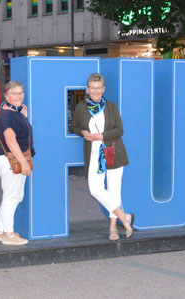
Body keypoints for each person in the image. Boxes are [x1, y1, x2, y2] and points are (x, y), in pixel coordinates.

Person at [69, 73, 134, 241]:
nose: (95, 91)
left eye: (98, 88)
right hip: (94, 155)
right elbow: (73, 127)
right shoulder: (81, 108)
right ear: (87, 89)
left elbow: (120, 130)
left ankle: (113, 228)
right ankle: (123, 216)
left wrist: (101, 136)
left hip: (113, 153)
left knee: (114, 190)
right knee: (95, 189)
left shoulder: (111, 106)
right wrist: (81, 132)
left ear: (103, 89)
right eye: (92, 88)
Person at [0, 81, 34, 245]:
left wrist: (24, 118)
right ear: (7, 96)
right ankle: (8, 234)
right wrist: (23, 163)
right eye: (15, 93)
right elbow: (10, 141)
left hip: (7, 158)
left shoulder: (15, 113)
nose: (19, 96)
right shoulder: (7, 114)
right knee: (11, 196)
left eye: (21, 92)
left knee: (15, 195)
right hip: (9, 158)